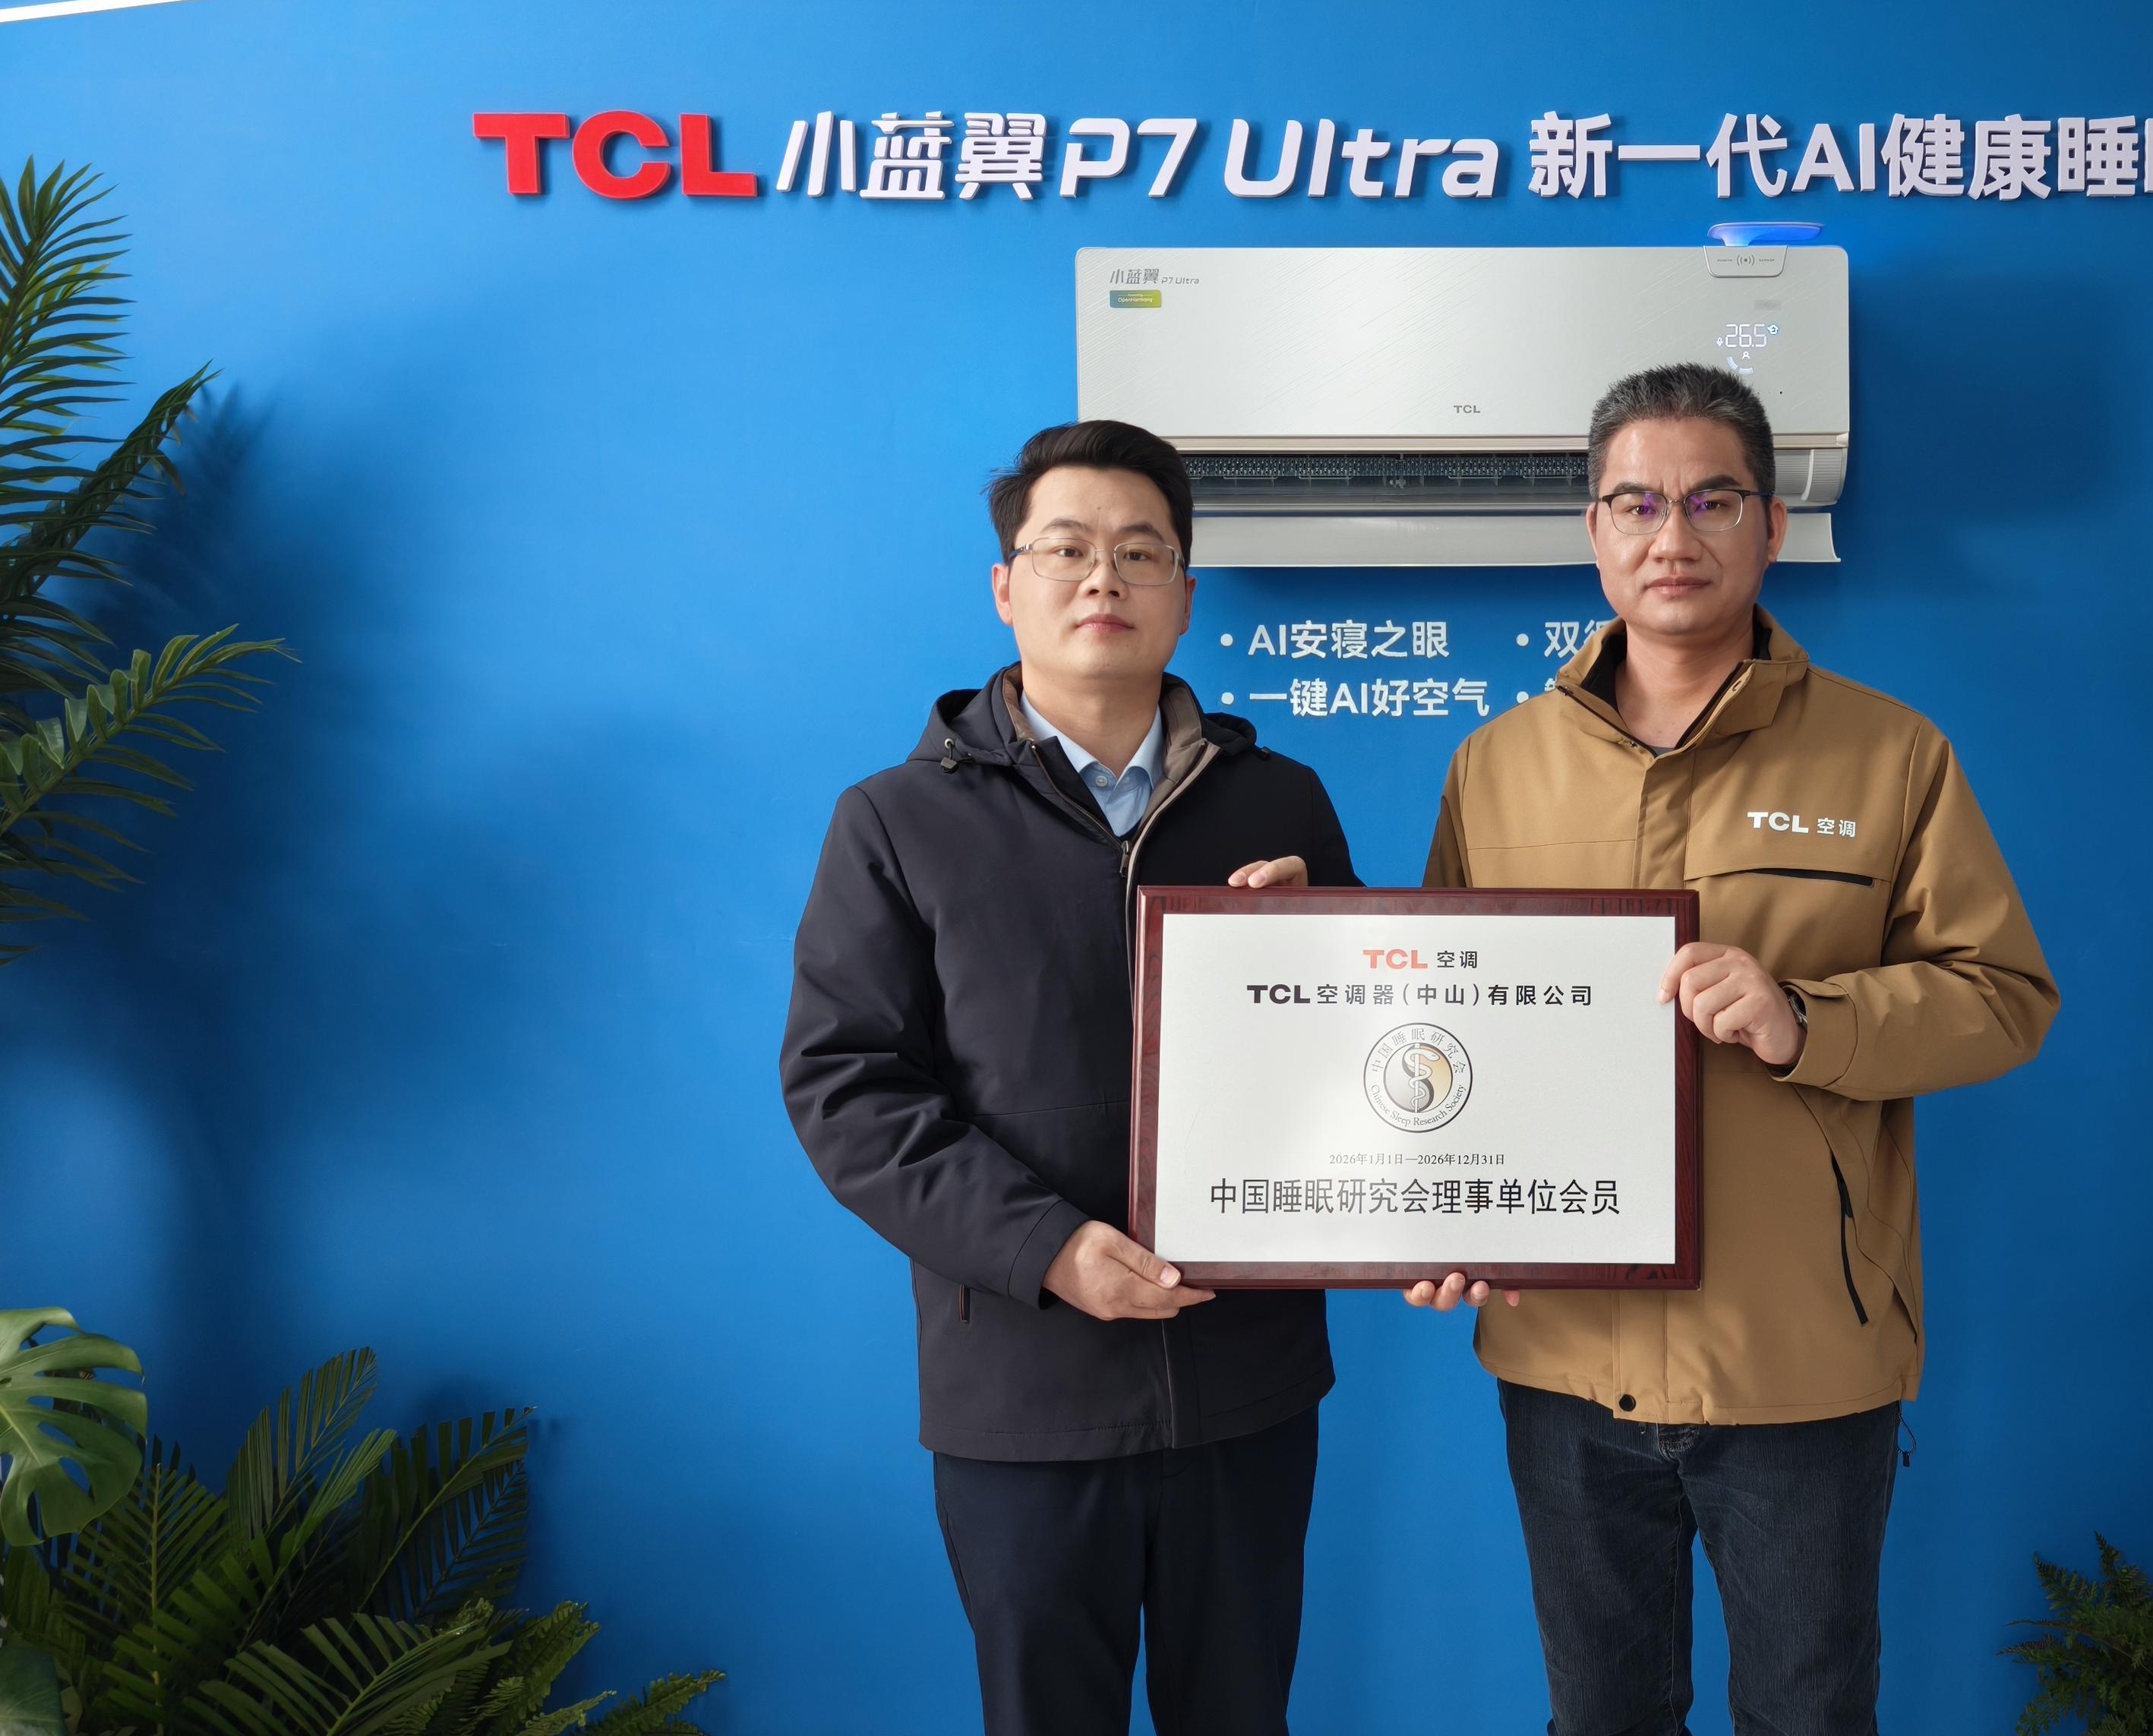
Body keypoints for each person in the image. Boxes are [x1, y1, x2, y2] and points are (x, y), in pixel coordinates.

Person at [1409, 364, 2057, 1735]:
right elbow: (1445, 1034)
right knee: (1601, 1717)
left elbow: (2004, 996)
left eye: (1712, 500)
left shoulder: (1890, 756)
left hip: (1800, 1353)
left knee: (1810, 1716)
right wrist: (1441, 1211)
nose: (1674, 535)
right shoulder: (1496, 766)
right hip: (1564, 1355)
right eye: (1637, 503)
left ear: (1770, 525)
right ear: (1594, 530)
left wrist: (1808, 1020)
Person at [781, 419, 1356, 1736]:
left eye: (1142, 552)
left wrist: (1332, 950)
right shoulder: (897, 821)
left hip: (1249, 1382)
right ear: (1008, 585)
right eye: (1068, 549)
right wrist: (1047, 1249)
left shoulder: (1281, 803)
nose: (1105, 578)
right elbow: (847, 1088)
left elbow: (1371, 1063)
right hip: (1023, 1396)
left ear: (1185, 595)